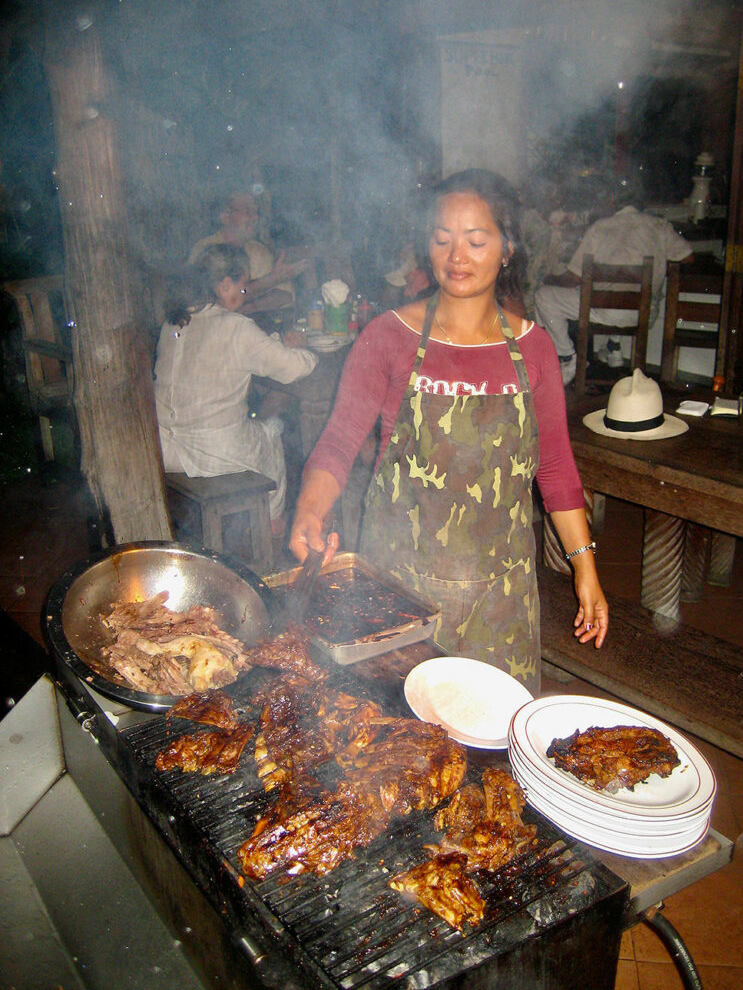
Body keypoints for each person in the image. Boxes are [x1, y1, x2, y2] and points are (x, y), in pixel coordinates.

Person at [289, 169, 608, 694]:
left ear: (507, 249)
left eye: (476, 240)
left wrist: (585, 569)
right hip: (400, 590)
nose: (457, 256)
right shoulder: (388, 337)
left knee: (494, 750)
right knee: (402, 746)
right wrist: (309, 510)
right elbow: (340, 441)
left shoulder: (534, 350)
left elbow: (554, 468)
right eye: (442, 239)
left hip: (501, 599)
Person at [154, 244, 317, 534]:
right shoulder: (235, 327)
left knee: (257, 425)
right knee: (272, 431)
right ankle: (272, 524)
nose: (244, 295)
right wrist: (304, 350)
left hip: (165, 449)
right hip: (213, 452)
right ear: (225, 284)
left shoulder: (174, 322)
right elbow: (293, 369)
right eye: (242, 288)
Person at [534, 178, 693, 385]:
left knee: (543, 296)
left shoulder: (600, 228)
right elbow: (688, 257)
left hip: (604, 310)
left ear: (612, 199)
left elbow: (575, 276)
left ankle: (567, 357)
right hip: (644, 312)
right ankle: (613, 347)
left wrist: (549, 279)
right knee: (615, 298)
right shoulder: (659, 226)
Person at [188, 192, 307, 307]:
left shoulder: (258, 251)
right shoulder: (204, 249)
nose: (255, 217)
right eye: (247, 211)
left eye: (256, 212)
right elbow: (201, 298)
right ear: (225, 217)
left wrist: (246, 309)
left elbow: (285, 296)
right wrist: (267, 283)